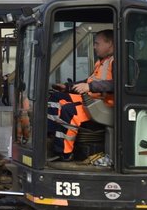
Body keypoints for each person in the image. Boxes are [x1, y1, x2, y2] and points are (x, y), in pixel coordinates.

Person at [48, 29, 115, 160]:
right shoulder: (101, 62)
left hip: (104, 107)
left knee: (69, 111)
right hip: (93, 100)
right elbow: (88, 81)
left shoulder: (117, 62)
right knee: (56, 98)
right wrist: (67, 87)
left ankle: (64, 154)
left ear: (110, 43)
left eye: (97, 43)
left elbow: (116, 84)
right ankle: (50, 137)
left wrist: (89, 87)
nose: (94, 46)